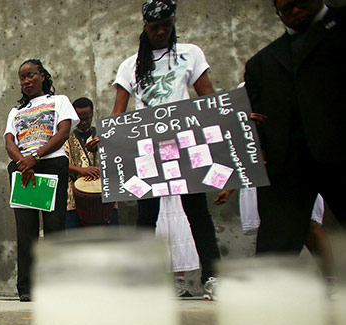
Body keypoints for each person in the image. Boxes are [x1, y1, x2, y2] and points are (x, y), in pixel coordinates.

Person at [91, 0, 221, 299]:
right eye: (154, 27)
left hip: (185, 144)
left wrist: (228, 121)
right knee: (147, 215)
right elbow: (119, 112)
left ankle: (213, 276)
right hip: (146, 149)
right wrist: (107, 137)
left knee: (197, 212)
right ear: (145, 27)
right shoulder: (130, 65)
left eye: (166, 25)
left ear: (173, 22)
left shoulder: (190, 53)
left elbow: (207, 97)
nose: (161, 31)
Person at [244, 0, 346, 254]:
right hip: (287, 166)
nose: (295, 11)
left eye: (300, 3)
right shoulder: (261, 63)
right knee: (275, 249)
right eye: (286, 9)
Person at [5, 59, 78, 302]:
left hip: (51, 165)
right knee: (26, 231)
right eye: (22, 77)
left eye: (31, 75)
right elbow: (9, 142)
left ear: (43, 76)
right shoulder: (16, 112)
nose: (26, 81)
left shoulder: (59, 101)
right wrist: (23, 162)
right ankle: (26, 288)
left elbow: (63, 132)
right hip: (24, 170)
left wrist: (35, 156)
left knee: (55, 227)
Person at [63, 97, 119, 228]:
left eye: (87, 119)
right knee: (77, 244)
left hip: (106, 198)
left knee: (110, 243)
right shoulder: (65, 137)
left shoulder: (103, 135)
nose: (83, 123)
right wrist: (81, 170)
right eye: (79, 119)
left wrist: (105, 142)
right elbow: (59, 164)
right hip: (74, 202)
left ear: (92, 115)